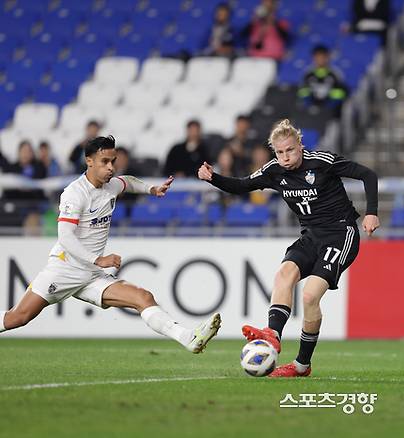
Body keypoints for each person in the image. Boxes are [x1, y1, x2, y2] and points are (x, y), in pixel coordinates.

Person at [0, 135, 221, 351]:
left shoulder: (110, 185)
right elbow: (65, 237)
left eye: (113, 161)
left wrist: (151, 189)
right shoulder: (74, 193)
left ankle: (189, 338)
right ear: (89, 161)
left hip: (92, 275)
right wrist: (98, 258)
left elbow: (128, 182)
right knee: (17, 318)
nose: (111, 167)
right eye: (104, 161)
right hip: (65, 269)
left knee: (143, 297)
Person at [198, 119, 379, 377]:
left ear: (300, 146)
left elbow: (367, 175)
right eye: (280, 152)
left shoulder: (322, 161)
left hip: (340, 234)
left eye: (290, 150)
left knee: (309, 296)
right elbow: (242, 186)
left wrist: (371, 213)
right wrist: (212, 177)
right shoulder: (274, 170)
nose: (285, 156)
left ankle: (301, 366)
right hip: (309, 237)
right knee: (283, 275)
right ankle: (272, 336)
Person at [298, 45, 348, 116]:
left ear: (327, 57)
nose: (320, 59)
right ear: (313, 58)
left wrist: (327, 108)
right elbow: (303, 93)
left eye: (322, 57)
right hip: (311, 111)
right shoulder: (308, 74)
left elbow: (339, 94)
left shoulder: (335, 74)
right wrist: (311, 107)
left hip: (331, 112)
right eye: (317, 57)